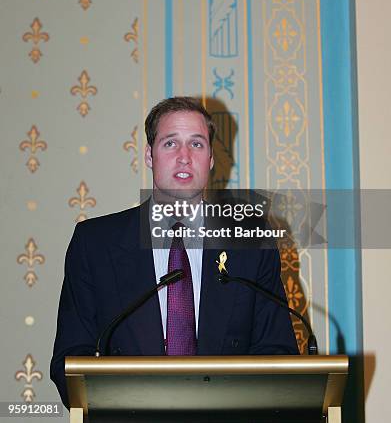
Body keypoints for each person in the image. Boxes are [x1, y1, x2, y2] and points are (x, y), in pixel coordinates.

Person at [50, 97, 298, 408]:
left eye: (196, 144)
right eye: (170, 144)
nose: (184, 157)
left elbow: (277, 353)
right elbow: (70, 361)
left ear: (210, 159)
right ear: (149, 156)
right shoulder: (95, 243)